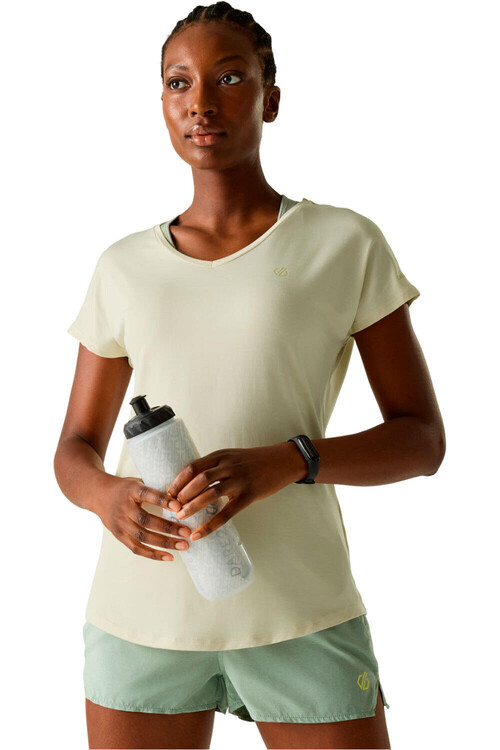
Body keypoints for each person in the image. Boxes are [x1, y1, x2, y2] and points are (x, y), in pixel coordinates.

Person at [53, 3, 446, 748]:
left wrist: (289, 461)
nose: (201, 102)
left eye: (229, 77)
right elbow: (74, 448)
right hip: (142, 614)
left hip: (300, 606)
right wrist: (106, 496)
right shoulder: (123, 266)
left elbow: (421, 441)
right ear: (162, 103)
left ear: (271, 98)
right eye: (179, 82)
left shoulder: (343, 242)